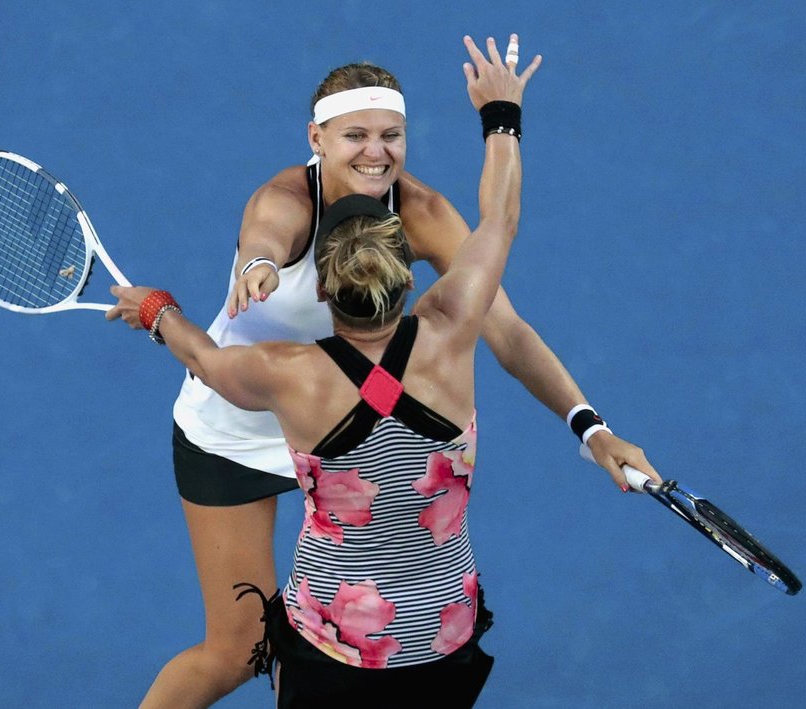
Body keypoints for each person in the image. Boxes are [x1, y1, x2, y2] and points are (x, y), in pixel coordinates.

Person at [116, 33, 659, 709]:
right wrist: (258, 264)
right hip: (237, 422)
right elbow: (265, 235)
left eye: (391, 135)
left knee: (332, 626)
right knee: (234, 651)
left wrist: (590, 427)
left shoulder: (425, 212)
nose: (377, 151)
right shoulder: (284, 199)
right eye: (355, 135)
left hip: (339, 434)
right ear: (315, 137)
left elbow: (507, 328)